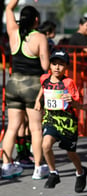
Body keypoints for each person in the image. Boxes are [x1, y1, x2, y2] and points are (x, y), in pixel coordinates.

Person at [2, 0, 50, 179]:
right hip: (33, 85)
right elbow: (45, 65)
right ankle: (38, 167)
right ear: (36, 20)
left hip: (14, 83)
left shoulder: (13, 32)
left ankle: (6, 165)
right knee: (36, 128)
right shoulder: (40, 37)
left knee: (12, 127)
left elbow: (8, 7)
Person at [33, 50, 87, 192]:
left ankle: (80, 171)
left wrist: (72, 100)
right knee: (46, 144)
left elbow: (77, 103)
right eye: (54, 64)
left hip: (67, 122)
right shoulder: (44, 78)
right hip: (51, 118)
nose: (57, 67)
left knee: (71, 153)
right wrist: (38, 100)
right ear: (50, 65)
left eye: (61, 64)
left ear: (66, 67)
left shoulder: (68, 83)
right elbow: (43, 88)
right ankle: (53, 172)